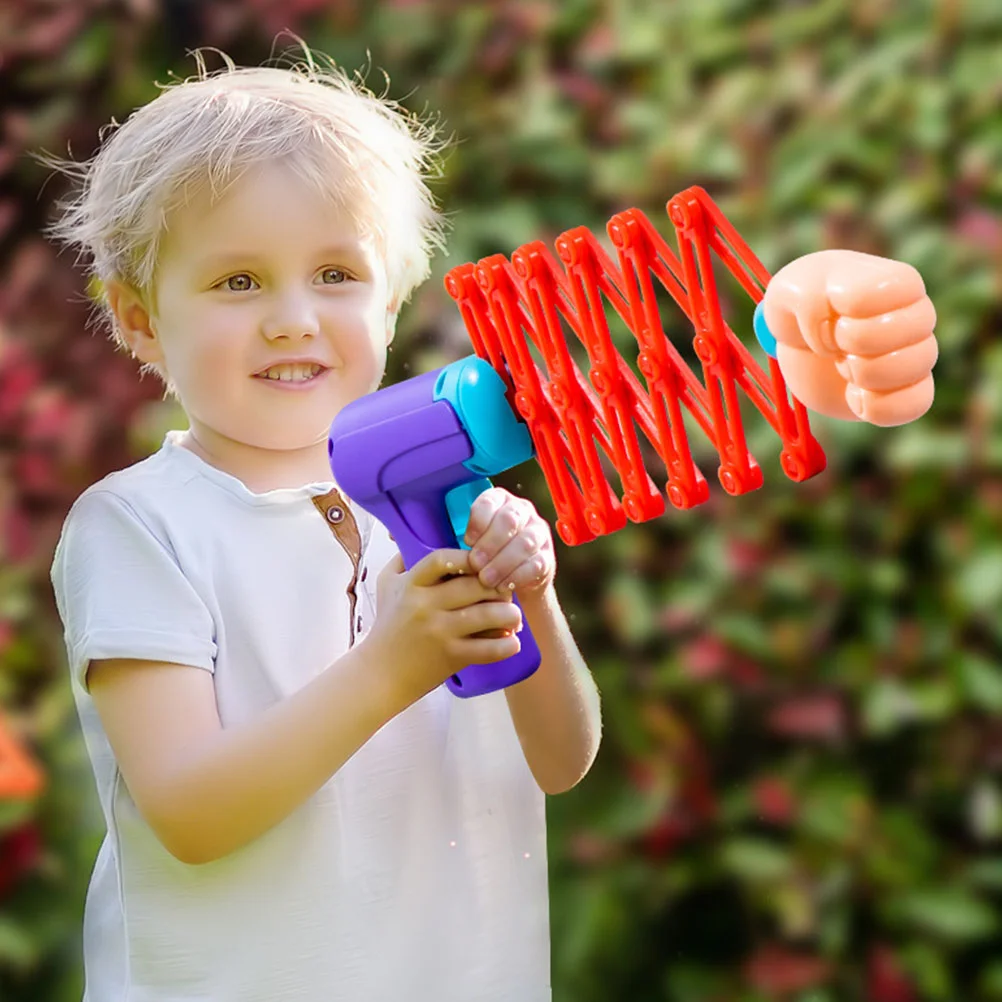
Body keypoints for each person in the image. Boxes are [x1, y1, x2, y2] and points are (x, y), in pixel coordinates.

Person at [45, 45, 938, 1002]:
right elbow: (188, 811)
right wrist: (391, 666)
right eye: (238, 283)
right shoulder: (139, 526)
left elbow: (561, 761)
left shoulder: (447, 505)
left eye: (337, 273)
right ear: (139, 321)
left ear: (391, 300)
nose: (294, 319)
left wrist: (534, 601)